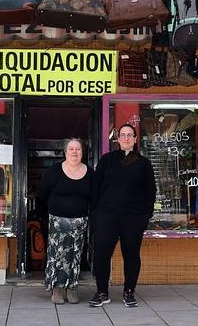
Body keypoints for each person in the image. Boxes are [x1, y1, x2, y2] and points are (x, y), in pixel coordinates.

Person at [89, 123, 156, 308]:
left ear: (135, 139)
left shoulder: (144, 163)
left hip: (133, 218)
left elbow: (151, 191)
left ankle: (129, 292)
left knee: (131, 255)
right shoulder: (107, 159)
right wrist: (95, 213)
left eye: (130, 135)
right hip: (106, 216)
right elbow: (95, 186)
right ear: (117, 139)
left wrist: (145, 216)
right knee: (101, 254)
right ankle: (102, 292)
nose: (126, 138)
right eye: (123, 135)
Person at [37, 138, 93, 304]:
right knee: (58, 255)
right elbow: (42, 192)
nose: (75, 152)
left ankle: (71, 288)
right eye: (71, 149)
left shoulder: (90, 173)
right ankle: (56, 288)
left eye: (78, 149)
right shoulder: (54, 171)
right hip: (58, 221)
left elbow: (94, 196)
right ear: (65, 152)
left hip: (80, 222)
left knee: (75, 255)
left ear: (82, 152)